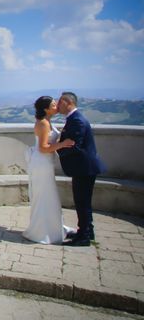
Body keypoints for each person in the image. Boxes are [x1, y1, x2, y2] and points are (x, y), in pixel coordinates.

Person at [23, 96, 75, 244]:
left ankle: (51, 228)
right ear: (46, 109)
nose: (57, 106)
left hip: (45, 163)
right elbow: (43, 148)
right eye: (53, 105)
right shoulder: (43, 124)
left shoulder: (47, 122)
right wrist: (63, 144)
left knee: (48, 197)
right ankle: (41, 232)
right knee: (45, 197)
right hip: (42, 163)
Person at [57, 92, 107, 246]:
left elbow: (75, 146)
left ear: (67, 102)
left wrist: (57, 149)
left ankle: (84, 237)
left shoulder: (77, 120)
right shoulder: (74, 118)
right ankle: (87, 231)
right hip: (83, 168)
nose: (58, 106)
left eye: (60, 102)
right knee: (83, 201)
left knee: (82, 202)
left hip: (84, 168)